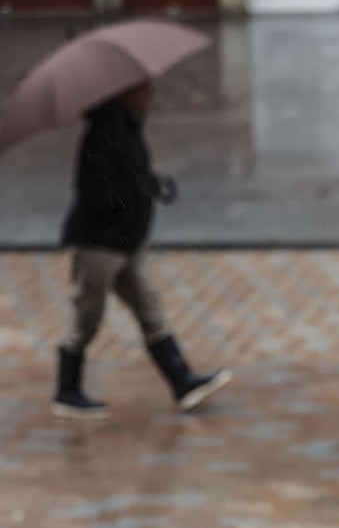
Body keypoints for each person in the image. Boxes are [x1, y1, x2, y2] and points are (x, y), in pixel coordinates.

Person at [52, 81, 231, 421]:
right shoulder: (103, 133)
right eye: (145, 89)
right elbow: (96, 189)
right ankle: (67, 390)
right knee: (86, 317)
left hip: (126, 243)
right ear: (127, 92)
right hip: (100, 244)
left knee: (150, 309)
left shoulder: (127, 128)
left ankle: (182, 381)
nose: (151, 96)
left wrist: (147, 184)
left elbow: (130, 175)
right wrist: (131, 196)